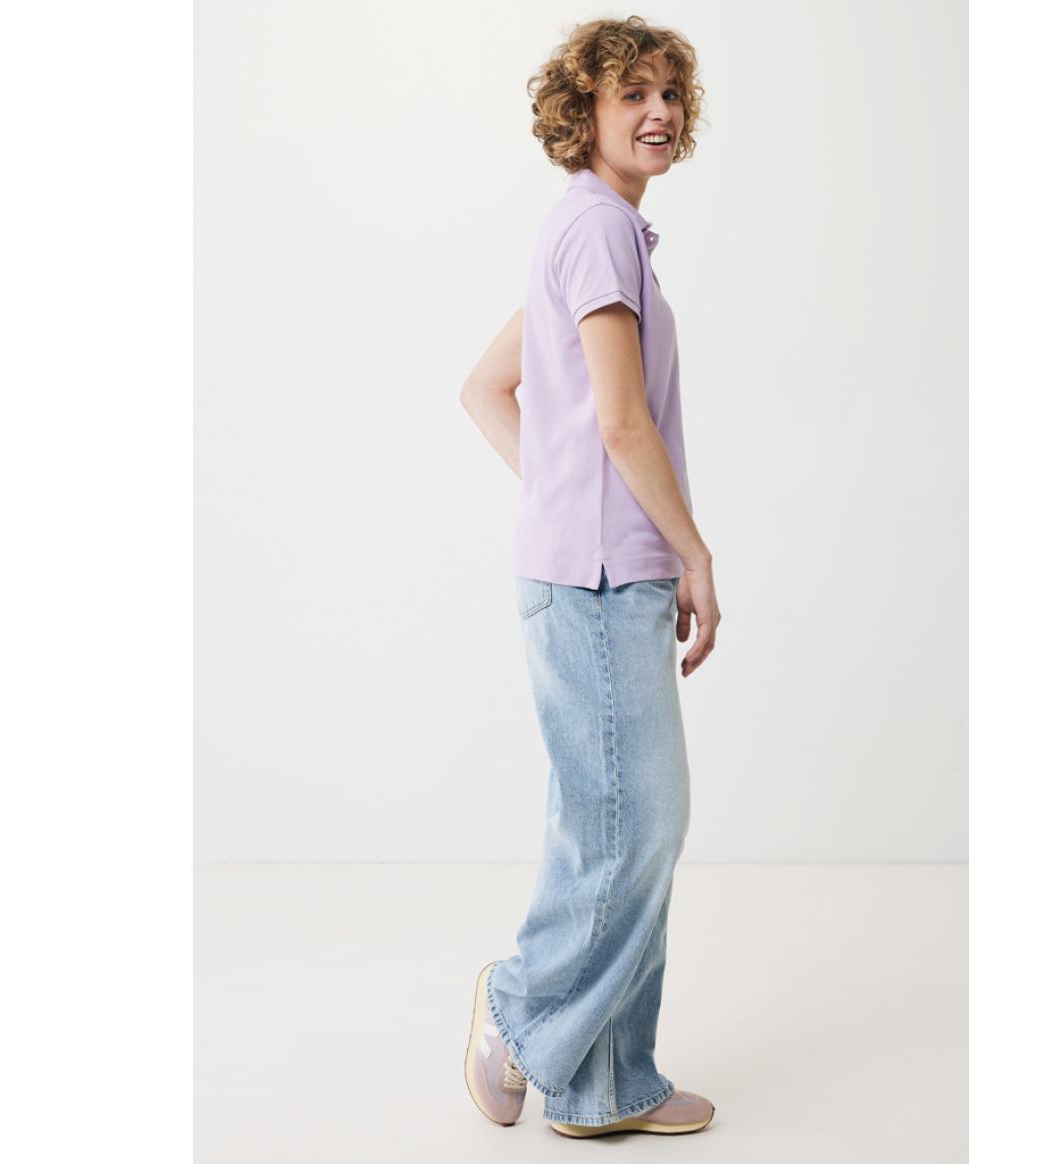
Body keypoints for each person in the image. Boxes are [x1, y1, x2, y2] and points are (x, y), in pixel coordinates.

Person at [459, 16, 721, 1139]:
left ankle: (605, 1086)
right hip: (604, 582)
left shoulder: (586, 228)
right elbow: (619, 422)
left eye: (669, 93)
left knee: (611, 824)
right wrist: (695, 554)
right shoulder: (600, 232)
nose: (659, 111)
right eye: (632, 95)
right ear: (586, 115)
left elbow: (486, 387)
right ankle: (520, 1013)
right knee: (637, 826)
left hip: (585, 569)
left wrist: (559, 497)